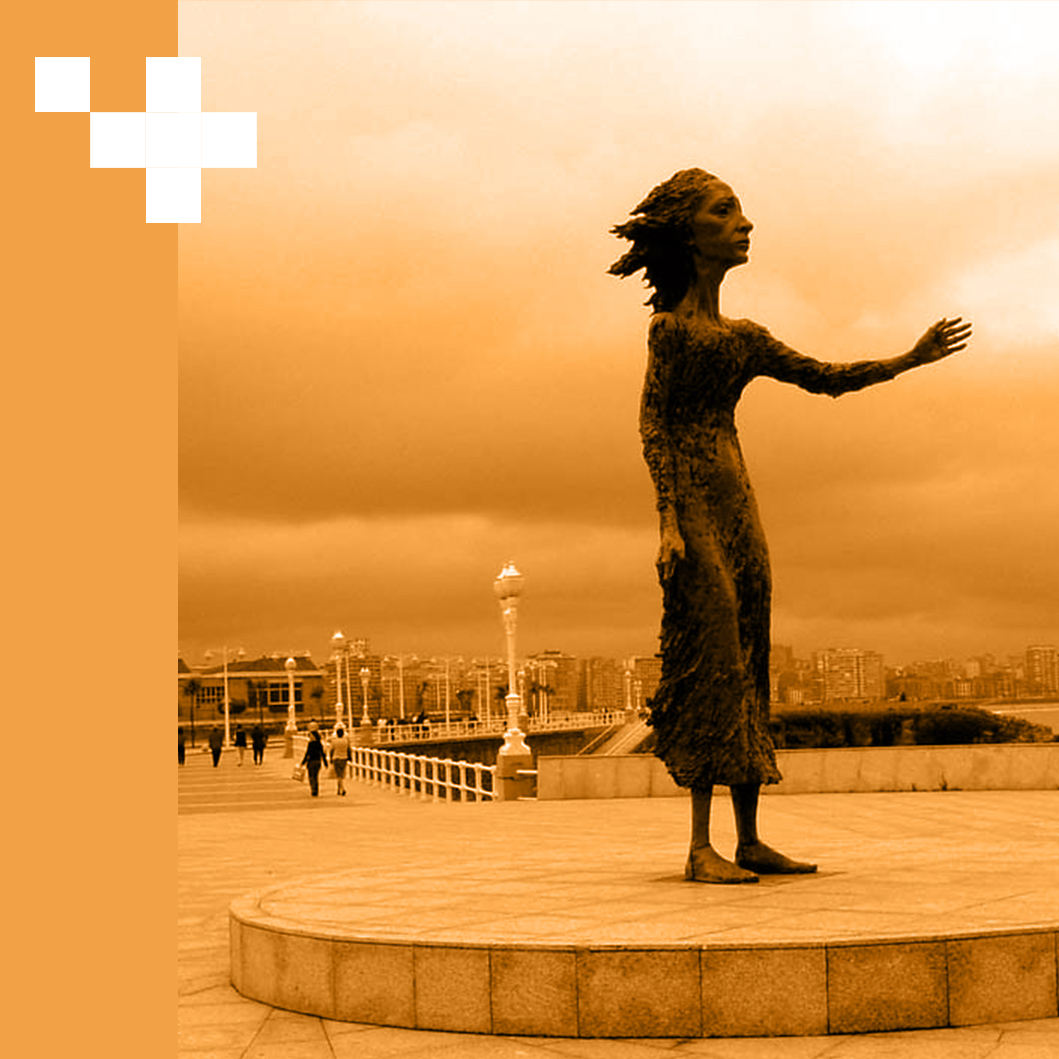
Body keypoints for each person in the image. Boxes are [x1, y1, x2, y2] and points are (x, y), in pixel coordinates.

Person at [609, 168, 970, 883]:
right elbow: (653, 426)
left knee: (749, 657)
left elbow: (825, 377)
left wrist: (910, 358)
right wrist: (668, 520)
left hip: (738, 504)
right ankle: (699, 846)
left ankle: (748, 838)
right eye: (724, 212)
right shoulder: (670, 332)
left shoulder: (743, 338)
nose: (744, 223)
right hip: (694, 509)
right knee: (711, 657)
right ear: (689, 234)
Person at [300, 723, 328, 797]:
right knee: (315, 776)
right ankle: (316, 789)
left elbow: (307, 753)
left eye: (311, 735)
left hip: (311, 761)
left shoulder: (311, 744)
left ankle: (313, 789)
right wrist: (325, 763)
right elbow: (322, 754)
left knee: (311, 776)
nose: (310, 737)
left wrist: (303, 762)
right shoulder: (319, 744)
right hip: (318, 761)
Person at [329, 725, 352, 796]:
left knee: (338, 775)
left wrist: (330, 758)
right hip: (344, 758)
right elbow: (349, 749)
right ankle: (338, 790)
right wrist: (350, 757)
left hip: (336, 758)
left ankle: (342, 788)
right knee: (341, 774)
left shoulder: (334, 741)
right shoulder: (346, 741)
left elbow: (331, 750)